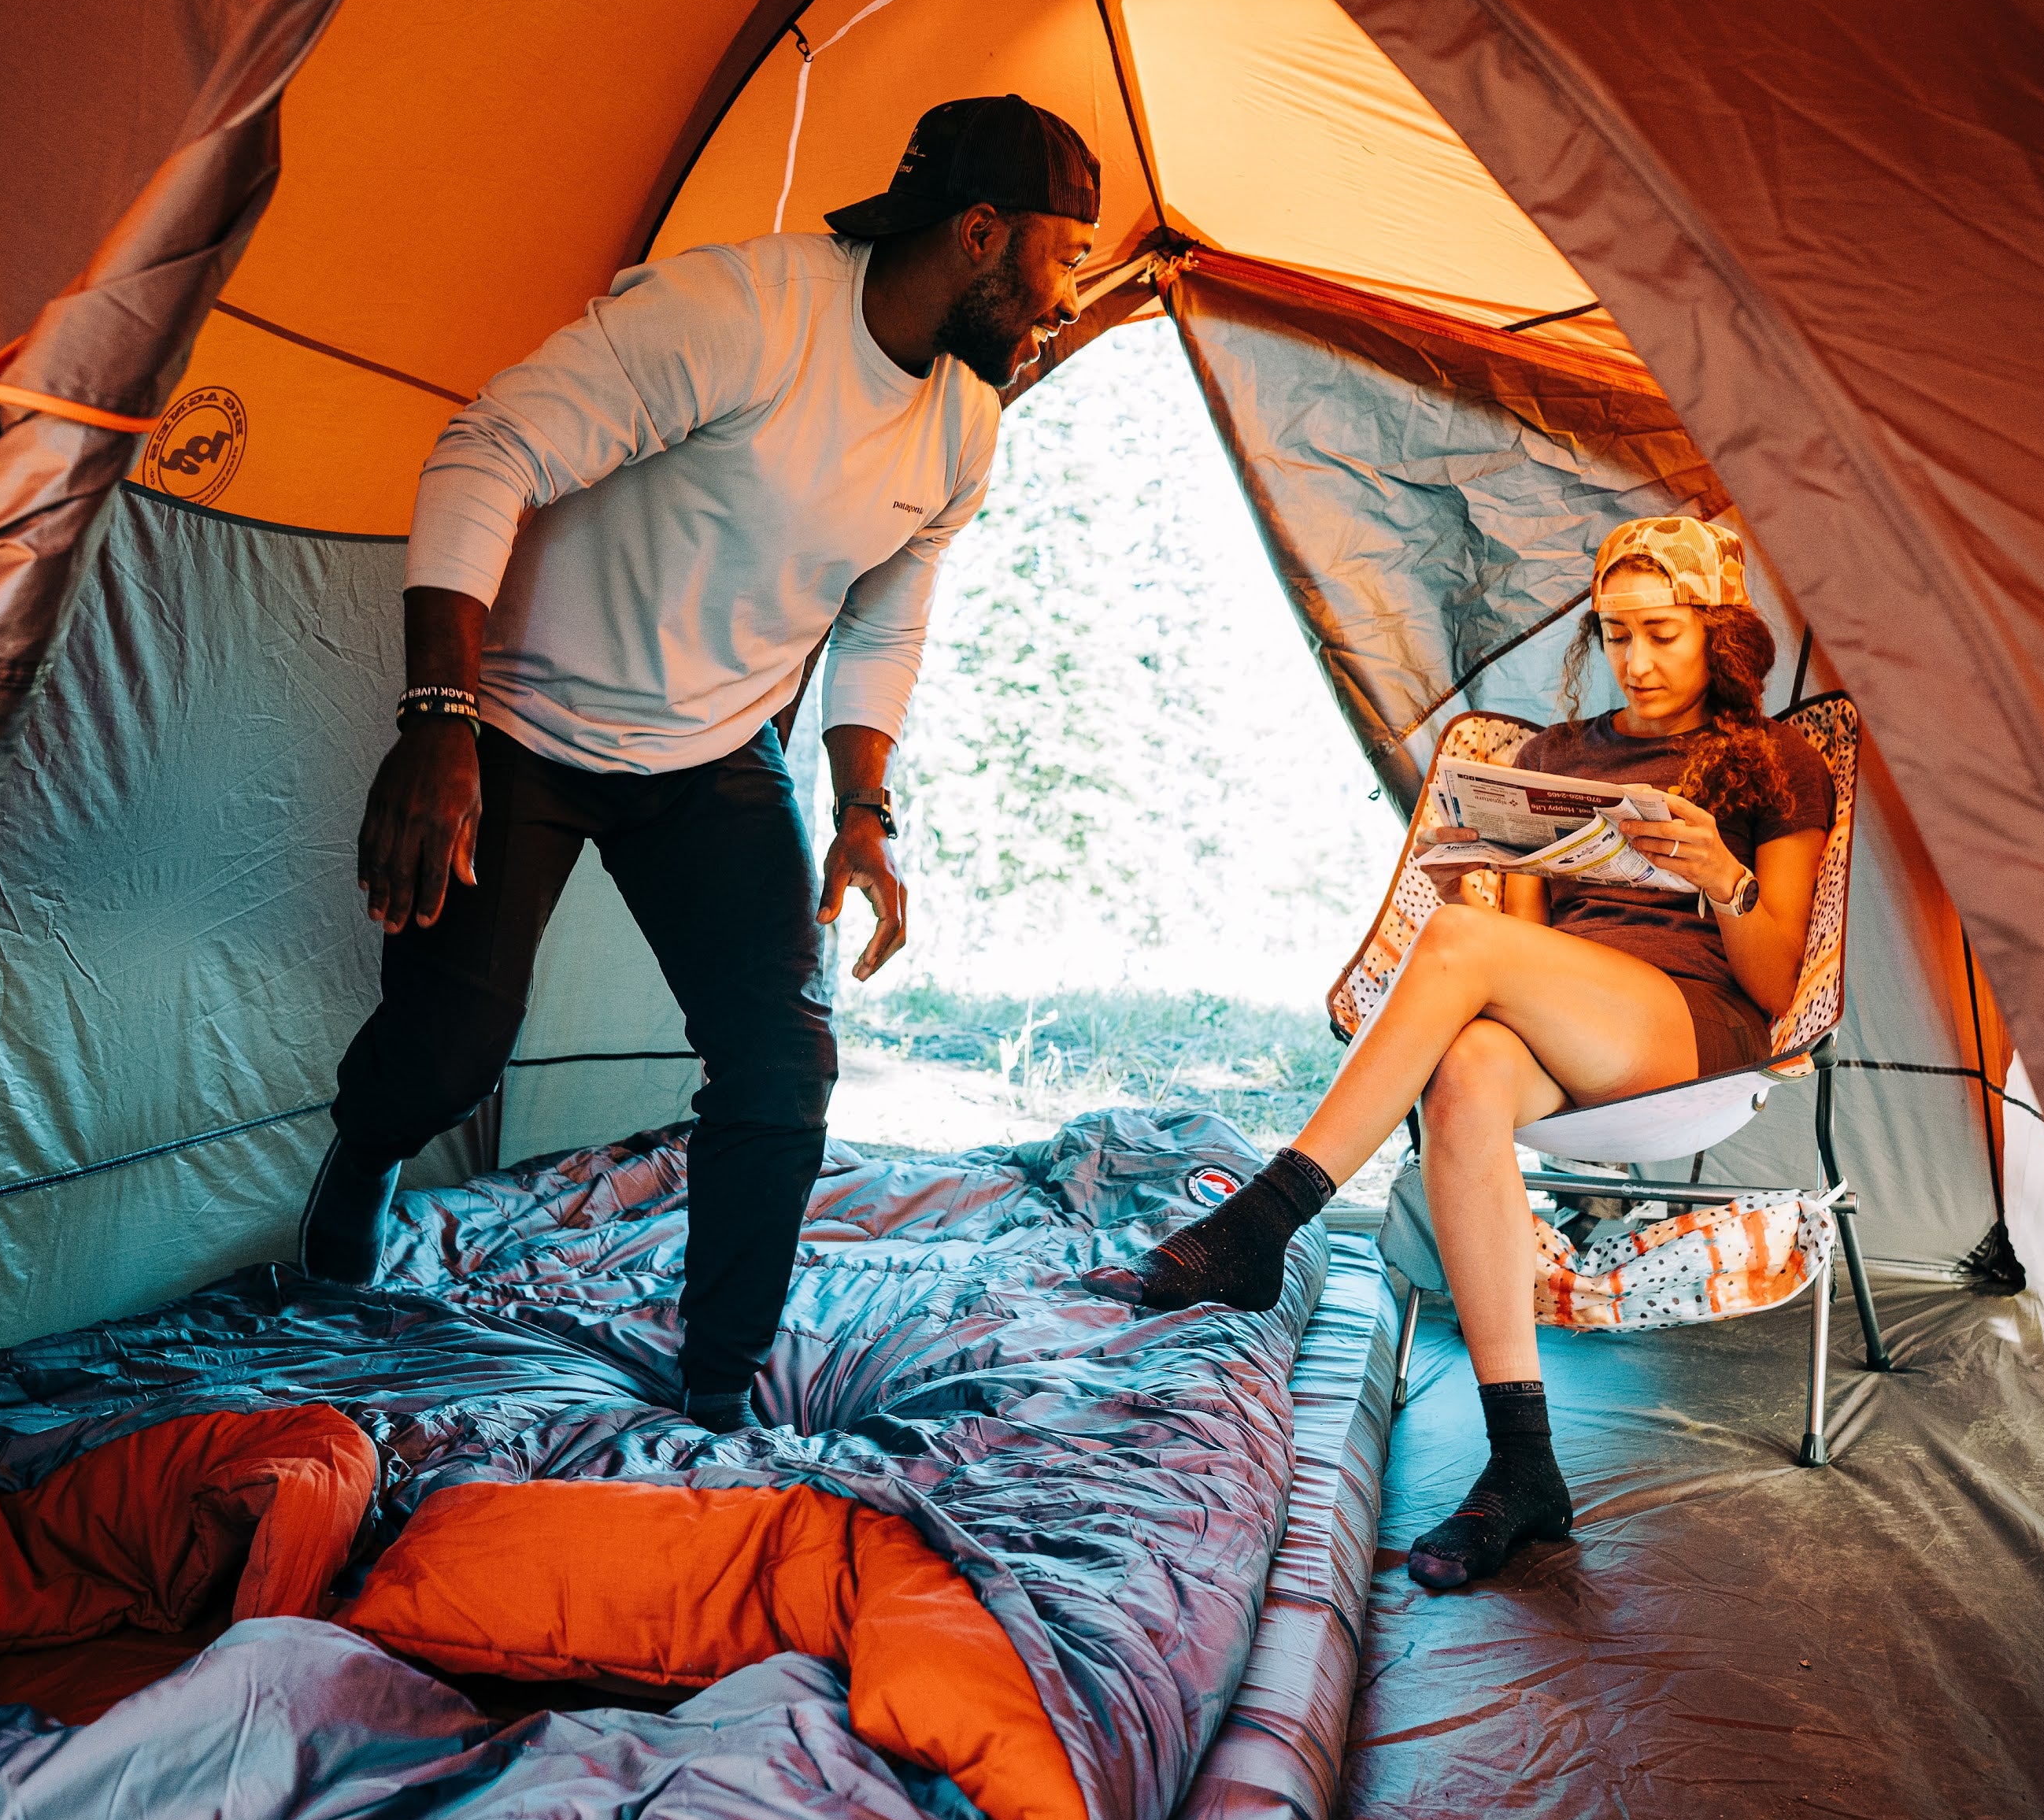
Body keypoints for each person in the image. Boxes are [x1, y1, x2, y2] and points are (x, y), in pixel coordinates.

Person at [304, 94, 1102, 1435]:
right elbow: (484, 448)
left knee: (782, 1069)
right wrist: (438, 717)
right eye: (1064, 255)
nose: (1069, 294)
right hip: (520, 724)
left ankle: (716, 1385)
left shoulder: (966, 425)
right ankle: (363, 1155)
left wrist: (863, 804)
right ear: (978, 234)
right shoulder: (740, 312)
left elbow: (886, 614)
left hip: (712, 749)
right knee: (448, 1053)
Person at [1131, 515, 1830, 1588]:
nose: (1635, 662)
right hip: (1569, 1009)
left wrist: (1718, 874)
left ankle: (1261, 1218)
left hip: (1697, 1025)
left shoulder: (1773, 760)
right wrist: (1489, 886)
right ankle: (1522, 1463)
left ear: (1717, 635)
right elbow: (1533, 939)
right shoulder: (1556, 755)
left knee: (1458, 949)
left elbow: (1781, 985)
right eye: (1613, 635)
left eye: (1661, 633)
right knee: (1463, 1073)